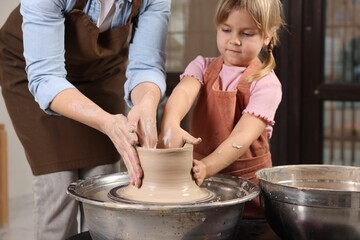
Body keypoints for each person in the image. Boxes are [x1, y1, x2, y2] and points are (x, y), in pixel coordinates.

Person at [0, 0, 170, 239]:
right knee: (58, 187)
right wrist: (108, 123)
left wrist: (146, 103)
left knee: (104, 185)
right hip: (32, 73)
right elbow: (46, 78)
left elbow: (147, 65)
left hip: (101, 74)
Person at [158, 0, 284, 218]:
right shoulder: (202, 66)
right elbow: (184, 92)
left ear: (267, 36)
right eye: (226, 30)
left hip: (246, 186)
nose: (234, 40)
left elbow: (243, 136)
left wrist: (207, 166)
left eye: (246, 34)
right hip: (197, 177)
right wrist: (170, 124)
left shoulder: (266, 83)